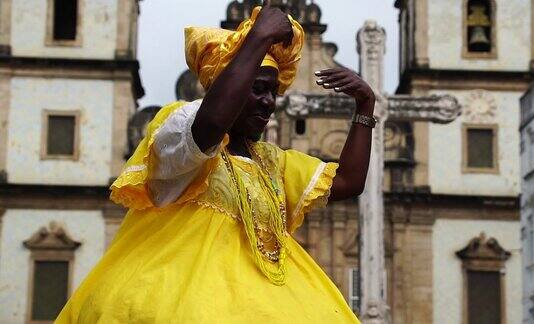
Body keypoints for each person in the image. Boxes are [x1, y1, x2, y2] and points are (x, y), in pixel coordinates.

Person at [56, 3, 376, 323]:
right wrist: (258, 38)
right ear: (227, 86)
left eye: (273, 92)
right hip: (177, 297)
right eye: (258, 88)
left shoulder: (271, 163)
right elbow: (210, 125)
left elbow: (349, 181)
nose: (269, 101)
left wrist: (365, 106)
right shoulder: (180, 128)